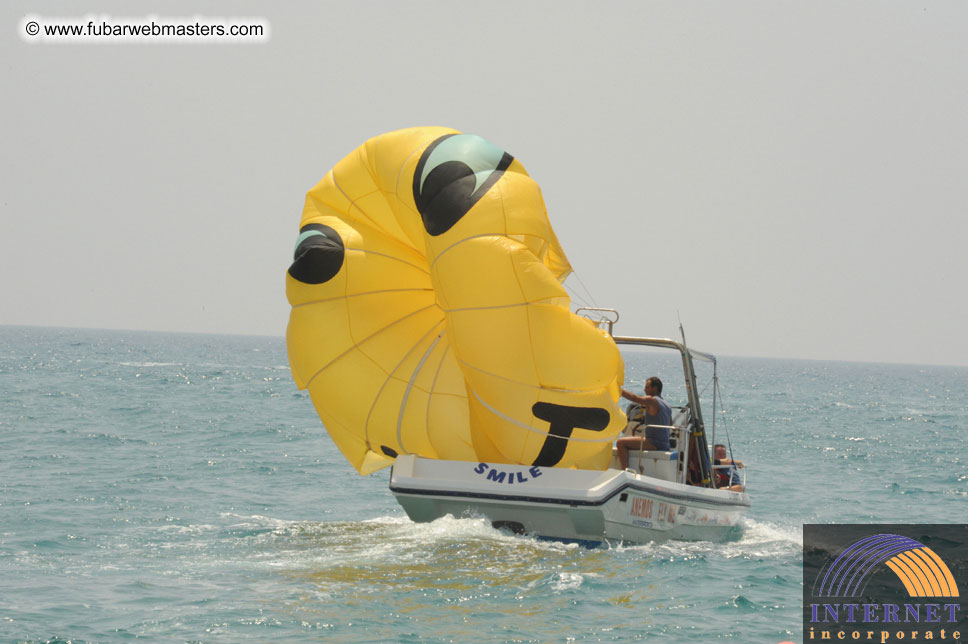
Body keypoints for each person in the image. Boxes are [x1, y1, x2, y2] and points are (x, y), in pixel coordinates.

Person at [616, 377, 672, 470]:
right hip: (665, 444)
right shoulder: (667, 405)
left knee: (621, 443)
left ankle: (624, 471)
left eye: (647, 387)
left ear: (655, 388)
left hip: (653, 443)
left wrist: (618, 389)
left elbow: (634, 398)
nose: (644, 389)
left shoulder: (651, 400)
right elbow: (670, 424)